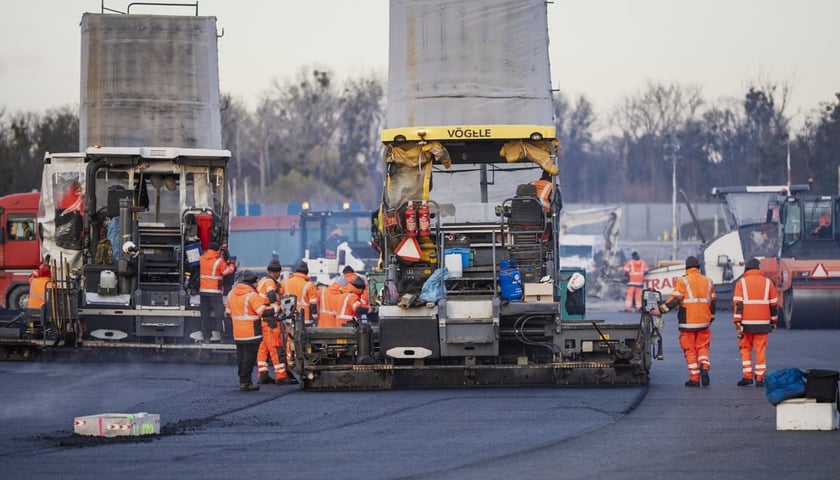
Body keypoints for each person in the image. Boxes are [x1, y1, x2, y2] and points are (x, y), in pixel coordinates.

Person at [649, 256, 716, 387]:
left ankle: (694, 379)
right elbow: (713, 302)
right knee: (702, 347)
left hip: (687, 322)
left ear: (686, 268)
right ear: (698, 268)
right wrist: (711, 317)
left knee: (690, 350)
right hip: (704, 322)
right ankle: (704, 365)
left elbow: (675, 299)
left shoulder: (682, 280)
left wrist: (660, 310)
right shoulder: (708, 281)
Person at [732, 257, 778, 387]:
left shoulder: (741, 283)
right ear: (758, 269)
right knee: (760, 349)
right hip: (763, 323)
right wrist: (773, 321)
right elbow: (773, 305)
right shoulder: (768, 282)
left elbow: (738, 303)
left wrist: (737, 321)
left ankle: (747, 376)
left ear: (747, 268)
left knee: (745, 348)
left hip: (746, 322)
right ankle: (759, 378)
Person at [225, 270, 273, 392]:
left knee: (241, 358)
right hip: (252, 332)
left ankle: (243, 380)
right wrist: (276, 308)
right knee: (249, 358)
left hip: (238, 333)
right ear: (253, 283)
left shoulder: (231, 293)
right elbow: (263, 312)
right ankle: (246, 383)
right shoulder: (252, 295)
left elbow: (228, 313)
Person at [256, 259, 296, 385]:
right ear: (278, 272)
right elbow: (271, 294)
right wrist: (276, 308)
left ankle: (263, 374)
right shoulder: (269, 282)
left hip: (263, 320)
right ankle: (281, 375)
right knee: (276, 347)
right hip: (271, 321)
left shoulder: (262, 280)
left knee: (263, 348)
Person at [199, 242, 235, 342]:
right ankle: (223, 337)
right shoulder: (219, 261)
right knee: (219, 315)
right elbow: (227, 271)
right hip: (215, 292)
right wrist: (231, 264)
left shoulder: (201, 259)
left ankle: (206, 337)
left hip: (203, 292)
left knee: (205, 315)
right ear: (217, 250)